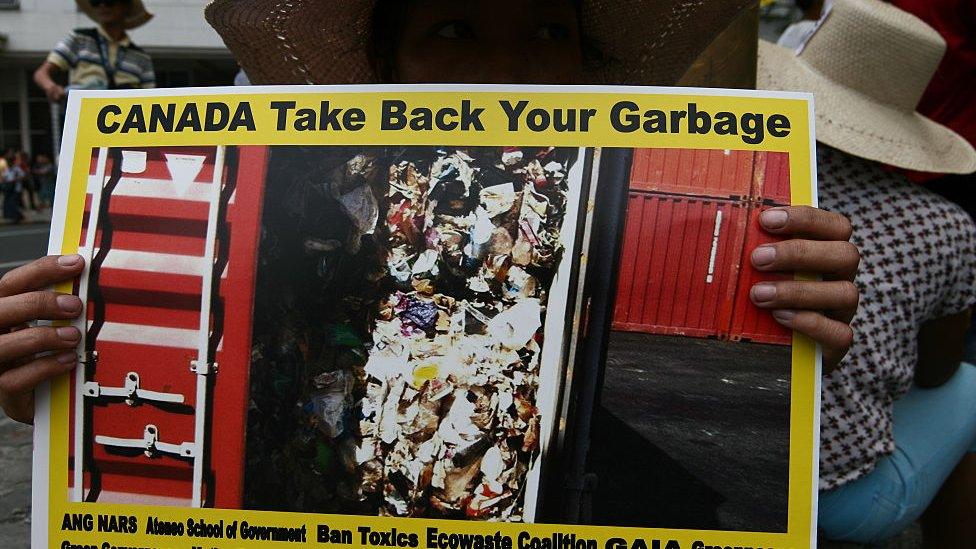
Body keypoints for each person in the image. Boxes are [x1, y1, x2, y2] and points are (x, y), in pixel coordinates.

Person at [1, 0, 859, 461]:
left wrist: (784, 309)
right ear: (387, 68)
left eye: (550, 29)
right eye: (455, 29)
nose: (513, 70)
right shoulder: (331, 214)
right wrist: (48, 386)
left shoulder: (630, 206)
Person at [758, 0, 976, 545]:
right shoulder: (944, 225)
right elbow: (936, 373)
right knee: (972, 384)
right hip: (839, 497)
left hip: (726, 466)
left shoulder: (752, 181)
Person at [32, 0, 155, 105]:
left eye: (109, 1)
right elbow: (41, 73)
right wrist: (51, 87)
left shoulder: (142, 58)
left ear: (125, 6)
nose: (102, 6)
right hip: (83, 116)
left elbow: (151, 100)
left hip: (126, 124)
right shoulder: (79, 39)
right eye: (96, 1)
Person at [1, 149, 26, 224]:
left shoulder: (16, 169)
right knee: (8, 202)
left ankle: (18, 216)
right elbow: (4, 177)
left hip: (16, 189)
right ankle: (13, 216)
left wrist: (15, 179)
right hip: (8, 188)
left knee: (13, 203)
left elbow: (23, 176)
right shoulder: (7, 169)